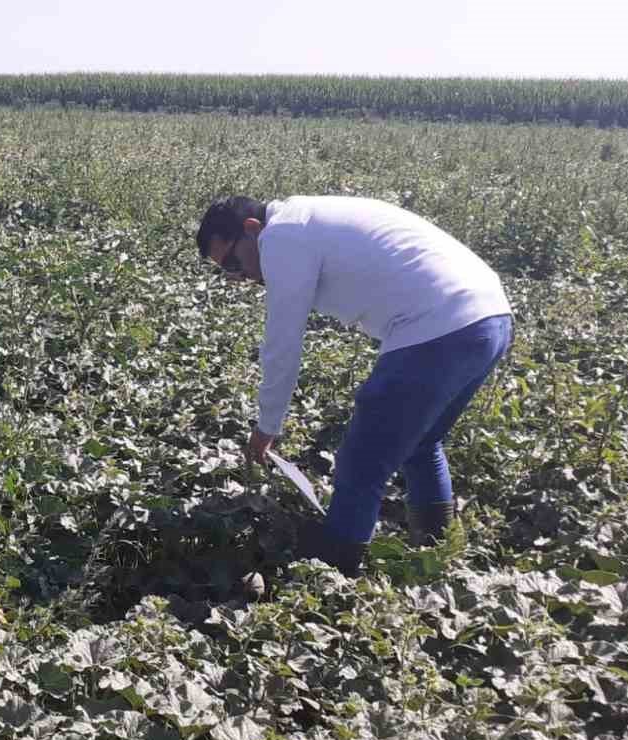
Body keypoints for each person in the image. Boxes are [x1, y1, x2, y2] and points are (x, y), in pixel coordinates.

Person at [196, 195, 513, 575]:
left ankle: (333, 577)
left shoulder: (280, 238)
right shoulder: (305, 219)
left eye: (234, 262)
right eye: (228, 272)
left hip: (440, 325)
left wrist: (267, 427)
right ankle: (437, 558)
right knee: (422, 443)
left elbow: (282, 341)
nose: (241, 276)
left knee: (362, 463)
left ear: (252, 229)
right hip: (489, 317)